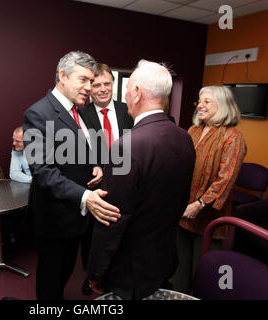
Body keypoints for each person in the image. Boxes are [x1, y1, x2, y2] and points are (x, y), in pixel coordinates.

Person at [86, 60, 196, 300]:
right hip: (164, 255)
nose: (124, 94)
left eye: (127, 89)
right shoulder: (184, 138)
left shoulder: (127, 146)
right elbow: (179, 200)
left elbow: (114, 219)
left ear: (136, 93)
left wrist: (95, 271)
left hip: (130, 267)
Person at [23, 51, 121, 300]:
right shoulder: (37, 114)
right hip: (54, 218)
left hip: (75, 215)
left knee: (65, 272)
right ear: (63, 76)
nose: (89, 87)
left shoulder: (78, 111)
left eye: (92, 81)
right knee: (51, 283)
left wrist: (95, 165)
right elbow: (43, 172)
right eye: (83, 80)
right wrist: (85, 197)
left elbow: (80, 149)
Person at [170, 86, 247, 294]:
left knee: (203, 267)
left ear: (222, 106)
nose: (200, 106)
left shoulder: (233, 137)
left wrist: (200, 204)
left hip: (208, 215)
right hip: (182, 209)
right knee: (179, 265)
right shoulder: (194, 130)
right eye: (199, 101)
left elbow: (226, 178)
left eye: (207, 102)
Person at [79, 63, 134, 295]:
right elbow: (77, 149)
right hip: (94, 185)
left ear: (114, 85)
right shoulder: (80, 113)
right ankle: (91, 275)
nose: (102, 89)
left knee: (121, 232)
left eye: (107, 84)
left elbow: (136, 145)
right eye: (97, 84)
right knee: (91, 237)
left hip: (125, 183)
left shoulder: (128, 110)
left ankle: (114, 276)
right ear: (90, 88)